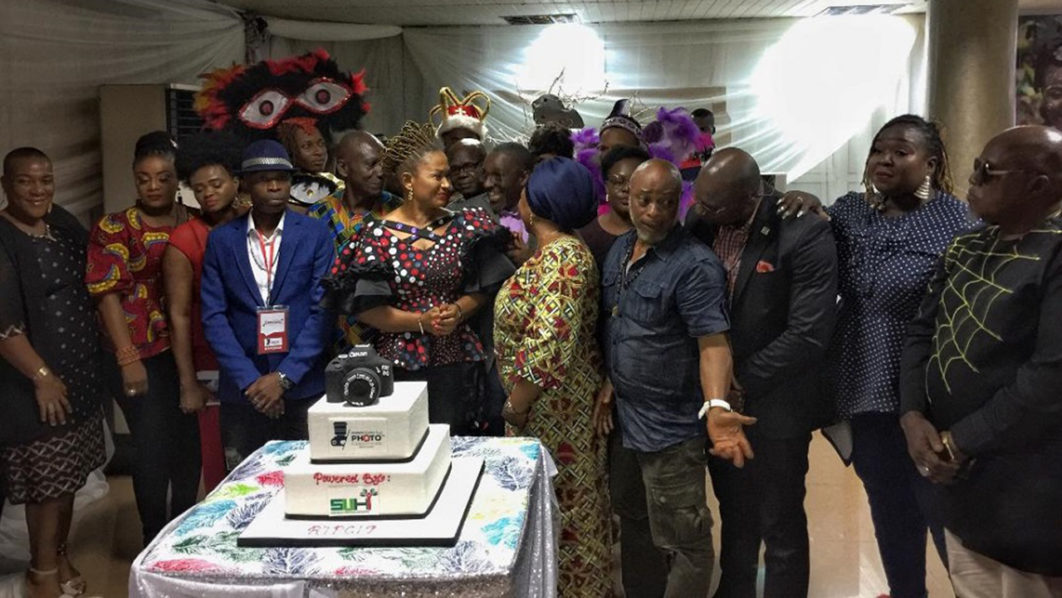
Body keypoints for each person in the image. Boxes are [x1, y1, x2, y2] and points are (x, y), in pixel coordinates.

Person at [784, 114, 973, 597]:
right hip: (863, 389)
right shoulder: (851, 212)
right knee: (889, 508)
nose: (884, 160)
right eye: (877, 150)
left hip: (928, 397)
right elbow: (814, 240)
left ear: (931, 164)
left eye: (900, 152)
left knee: (946, 516)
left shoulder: (958, 224)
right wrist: (806, 203)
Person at [900, 125, 1062, 596]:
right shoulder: (966, 244)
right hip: (961, 486)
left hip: (1030, 493)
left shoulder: (1055, 250)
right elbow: (922, 332)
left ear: (1037, 185)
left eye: (987, 172)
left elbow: (1050, 377)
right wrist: (912, 416)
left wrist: (961, 441)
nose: (972, 181)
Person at [594, 159, 756, 598]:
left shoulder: (694, 265)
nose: (653, 212)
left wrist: (717, 406)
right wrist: (612, 380)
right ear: (627, 198)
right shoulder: (620, 250)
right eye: (644, 200)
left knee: (685, 540)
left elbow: (713, 343)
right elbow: (620, 324)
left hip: (670, 429)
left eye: (666, 202)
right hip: (626, 420)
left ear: (679, 203)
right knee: (634, 520)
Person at [685, 148, 838, 598]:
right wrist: (718, 391)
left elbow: (808, 334)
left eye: (713, 204)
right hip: (718, 404)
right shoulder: (700, 223)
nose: (700, 210)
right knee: (734, 512)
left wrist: (737, 383)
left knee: (780, 519)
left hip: (777, 403)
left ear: (751, 196)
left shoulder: (802, 230)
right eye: (699, 200)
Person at [324, 121, 514, 435]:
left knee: (459, 440)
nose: (448, 185)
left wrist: (458, 310)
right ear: (408, 181)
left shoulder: (467, 225)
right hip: (399, 363)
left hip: (456, 359)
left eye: (448, 176)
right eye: (438, 176)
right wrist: (421, 322)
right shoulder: (377, 236)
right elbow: (366, 308)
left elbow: (488, 286)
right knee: (407, 440)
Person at [494, 157, 610, 597]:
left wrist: (516, 406)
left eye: (525, 190)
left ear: (538, 203)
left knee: (568, 522)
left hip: (554, 417)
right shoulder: (556, 253)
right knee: (556, 519)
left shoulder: (564, 258)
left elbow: (547, 346)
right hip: (550, 413)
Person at [0, 148, 107, 598]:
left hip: (77, 378)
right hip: (34, 385)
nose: (37, 189)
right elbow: (4, 326)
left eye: (45, 180)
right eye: (25, 181)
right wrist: (42, 376)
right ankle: (40, 573)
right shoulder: (3, 236)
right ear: (6, 185)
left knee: (68, 480)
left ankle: (58, 555)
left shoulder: (59, 223)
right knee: (47, 486)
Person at [86, 131, 199, 545]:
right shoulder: (115, 227)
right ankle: (154, 539)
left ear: (177, 179)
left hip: (187, 347)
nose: (153, 186)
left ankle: (184, 532)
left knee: (188, 442)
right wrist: (127, 357)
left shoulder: (194, 219)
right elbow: (106, 295)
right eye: (143, 178)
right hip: (137, 350)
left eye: (163, 178)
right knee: (152, 444)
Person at [200, 140, 334, 468]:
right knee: (247, 482)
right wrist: (252, 382)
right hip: (245, 391)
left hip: (304, 385)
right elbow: (214, 316)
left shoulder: (315, 234)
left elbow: (324, 310)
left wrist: (284, 377)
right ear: (244, 184)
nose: (275, 186)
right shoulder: (221, 240)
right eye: (264, 179)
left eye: (282, 178)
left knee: (310, 478)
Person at [162, 131, 243, 493]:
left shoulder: (256, 223)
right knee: (219, 461)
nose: (207, 193)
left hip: (259, 358)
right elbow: (178, 315)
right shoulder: (184, 239)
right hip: (209, 361)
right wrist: (187, 383)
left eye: (216, 184)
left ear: (236, 181)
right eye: (198, 188)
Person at [308, 131, 402, 352]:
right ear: (343, 168)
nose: (381, 172)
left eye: (384, 164)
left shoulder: (399, 212)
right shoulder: (318, 215)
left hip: (388, 338)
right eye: (372, 164)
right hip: (328, 339)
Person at [577, 145, 650, 269]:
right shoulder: (585, 236)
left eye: (635, 182)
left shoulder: (655, 235)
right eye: (619, 182)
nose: (627, 188)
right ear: (606, 187)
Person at [482, 142, 535, 264]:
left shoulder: (548, 216)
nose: (487, 184)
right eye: (485, 175)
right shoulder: (470, 213)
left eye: (497, 176)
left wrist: (531, 261)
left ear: (523, 177)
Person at [277, 117, 342, 213]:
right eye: (307, 146)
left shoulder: (338, 186)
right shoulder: (280, 192)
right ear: (290, 152)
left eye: (321, 144)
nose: (319, 152)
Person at [445, 138, 487, 205]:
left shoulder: (503, 202)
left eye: (468, 166)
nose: (462, 174)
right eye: (455, 169)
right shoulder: (452, 210)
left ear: (485, 164)